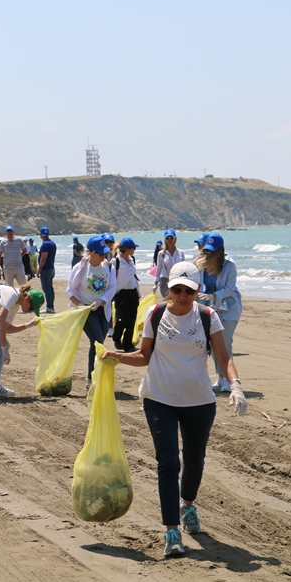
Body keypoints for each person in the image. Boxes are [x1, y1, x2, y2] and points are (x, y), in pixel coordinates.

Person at [103, 260, 247, 559]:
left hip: (199, 401)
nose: (182, 296)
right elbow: (144, 356)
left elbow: (223, 355)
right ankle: (172, 530)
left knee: (195, 461)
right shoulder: (156, 313)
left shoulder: (207, 317)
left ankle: (188, 506)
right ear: (168, 288)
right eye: (177, 289)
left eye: (189, 291)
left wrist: (235, 384)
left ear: (197, 291)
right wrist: (115, 356)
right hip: (159, 398)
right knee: (168, 463)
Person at [195, 234, 244, 392]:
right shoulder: (201, 264)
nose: (207, 254)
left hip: (229, 308)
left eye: (212, 252)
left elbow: (230, 288)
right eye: (206, 251)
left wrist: (214, 296)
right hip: (210, 307)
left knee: (225, 341)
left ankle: (230, 379)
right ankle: (221, 376)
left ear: (220, 251)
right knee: (213, 342)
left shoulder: (230, 265)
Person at [67, 235, 117, 387]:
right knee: (96, 342)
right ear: (91, 253)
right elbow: (70, 291)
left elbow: (112, 288)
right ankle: (90, 380)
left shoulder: (109, 267)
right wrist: (81, 305)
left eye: (105, 253)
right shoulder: (80, 268)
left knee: (98, 343)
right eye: (101, 253)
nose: (104, 256)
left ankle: (93, 376)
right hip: (86, 311)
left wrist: (101, 300)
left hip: (102, 309)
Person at [112, 238, 142, 352]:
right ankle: (116, 336)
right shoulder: (116, 261)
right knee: (124, 319)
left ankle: (127, 345)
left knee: (132, 319)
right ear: (128, 249)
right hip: (121, 293)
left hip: (133, 293)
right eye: (133, 248)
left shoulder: (132, 259)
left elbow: (134, 276)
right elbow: (112, 279)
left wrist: (138, 293)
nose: (134, 250)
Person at [156, 228, 185, 299]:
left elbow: (184, 268)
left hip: (177, 280)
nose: (169, 240)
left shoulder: (180, 253)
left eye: (171, 238)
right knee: (168, 301)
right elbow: (159, 268)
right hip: (165, 280)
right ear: (165, 240)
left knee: (177, 301)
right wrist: (156, 281)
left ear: (175, 239)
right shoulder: (161, 253)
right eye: (167, 238)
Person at [35, 227, 57, 314]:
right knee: (50, 288)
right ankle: (51, 306)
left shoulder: (45, 245)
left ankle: (50, 307)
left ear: (41, 235)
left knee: (46, 289)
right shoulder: (52, 243)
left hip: (46, 269)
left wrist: (39, 269)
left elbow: (43, 258)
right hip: (51, 268)